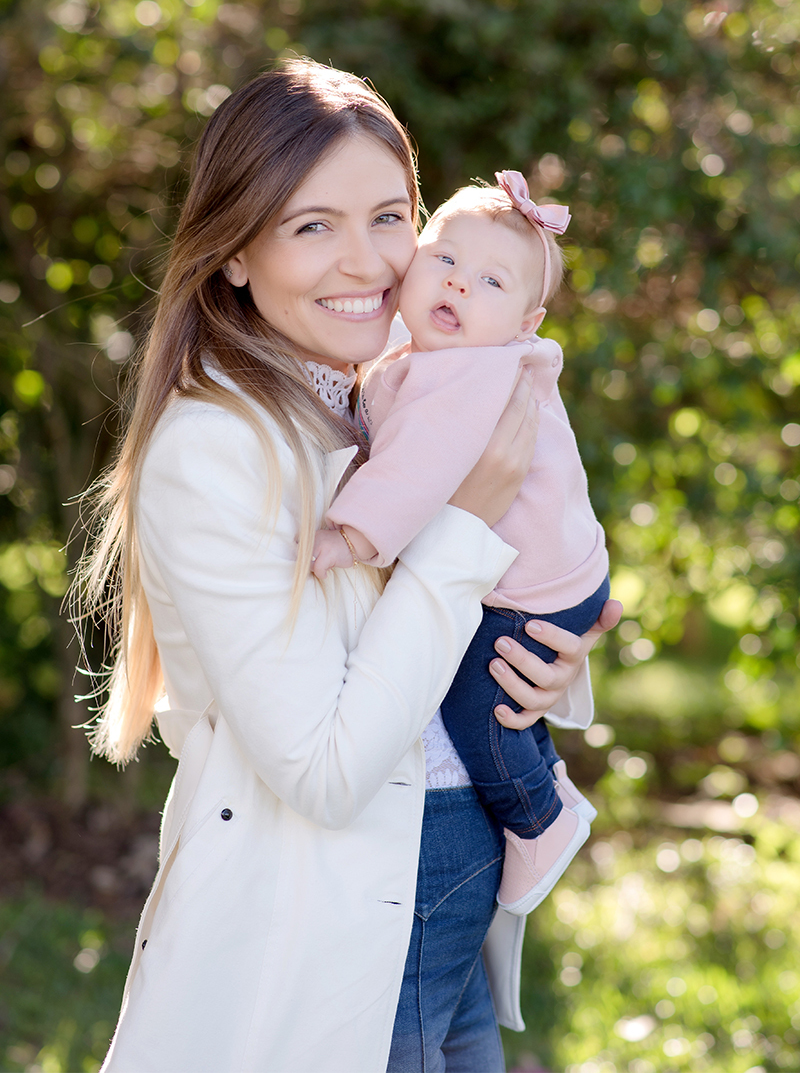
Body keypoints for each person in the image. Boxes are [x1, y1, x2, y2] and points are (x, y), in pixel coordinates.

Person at [76, 59, 620, 1073]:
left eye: (387, 216)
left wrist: (549, 662)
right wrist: (466, 523)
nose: (365, 260)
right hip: (331, 926)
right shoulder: (215, 447)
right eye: (311, 225)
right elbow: (325, 770)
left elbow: (442, 617)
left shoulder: (384, 392)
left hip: (443, 895)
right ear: (235, 253)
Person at [313, 176, 609, 921]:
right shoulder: (437, 353)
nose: (457, 284)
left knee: (479, 705)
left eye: (490, 281)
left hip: (531, 591)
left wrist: (350, 533)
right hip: (551, 569)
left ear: (525, 320)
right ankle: (548, 784)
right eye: (443, 258)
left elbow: (416, 469)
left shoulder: (470, 372)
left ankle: (540, 818)